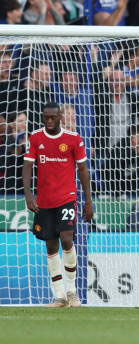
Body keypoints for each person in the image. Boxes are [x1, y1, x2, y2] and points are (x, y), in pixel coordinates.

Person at [22, 102, 94, 307]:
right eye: (46, 117)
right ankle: (60, 296)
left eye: (53, 117)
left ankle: (72, 292)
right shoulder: (35, 138)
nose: (49, 120)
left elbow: (83, 170)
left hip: (67, 198)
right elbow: (27, 167)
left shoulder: (73, 139)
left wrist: (88, 201)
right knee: (51, 244)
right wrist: (29, 195)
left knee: (67, 238)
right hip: (44, 201)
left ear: (61, 117)